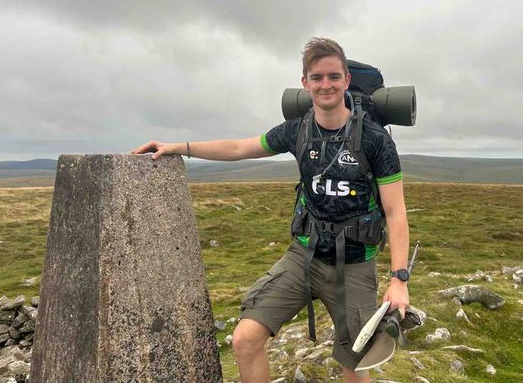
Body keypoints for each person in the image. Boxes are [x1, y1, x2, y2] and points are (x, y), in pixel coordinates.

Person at [131, 37, 409, 383]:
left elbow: (396, 212)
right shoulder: (297, 130)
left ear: (346, 80)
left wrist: (399, 280)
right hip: (304, 256)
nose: (325, 84)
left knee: (355, 364)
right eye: (317, 77)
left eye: (333, 76)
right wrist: (180, 147)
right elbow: (239, 148)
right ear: (305, 83)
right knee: (245, 339)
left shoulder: (375, 140)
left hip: (354, 265)